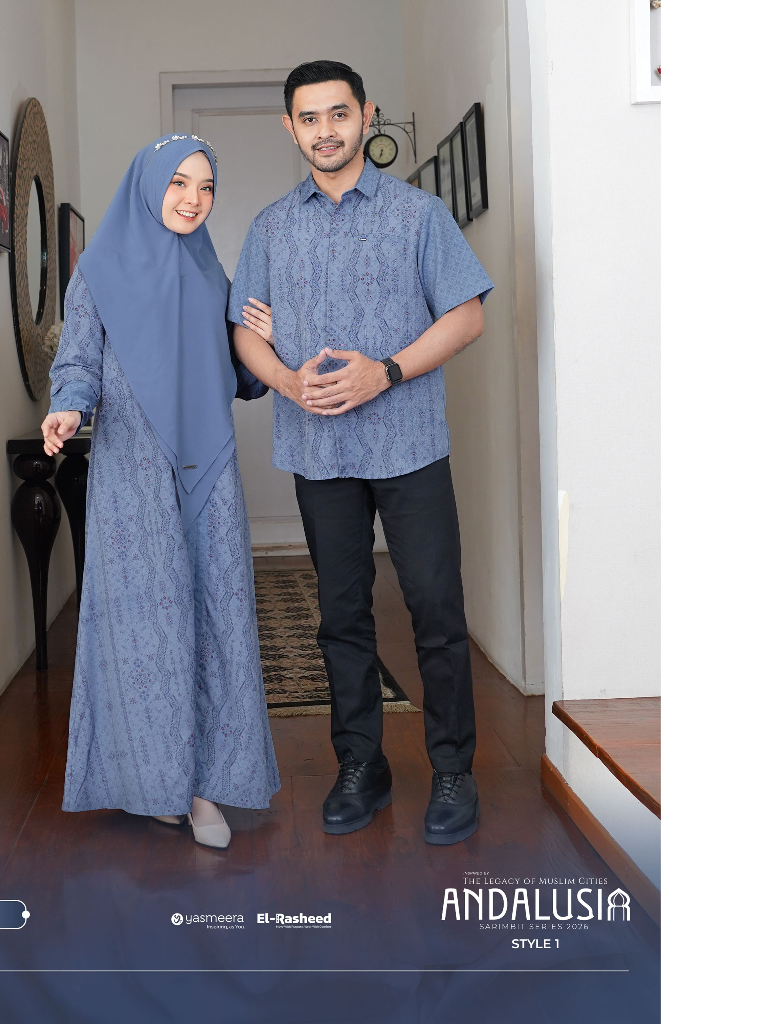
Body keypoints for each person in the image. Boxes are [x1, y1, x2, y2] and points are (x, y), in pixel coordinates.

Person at [230, 61, 493, 845]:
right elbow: (245, 331)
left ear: (366, 115)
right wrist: (285, 380)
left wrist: (388, 372)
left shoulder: (419, 215)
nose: (326, 130)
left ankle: (453, 770)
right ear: (290, 128)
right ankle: (361, 766)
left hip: (410, 446)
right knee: (341, 616)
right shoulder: (270, 228)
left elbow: (467, 315)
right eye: (309, 118)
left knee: (435, 609)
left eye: (339, 114)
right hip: (320, 453)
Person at [41, 135, 280, 850]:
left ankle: (204, 789)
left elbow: (238, 376)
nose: (193, 199)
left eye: (206, 187)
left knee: (215, 617)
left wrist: (263, 343)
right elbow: (79, 359)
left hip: (207, 466)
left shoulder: (210, 271)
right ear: (149, 185)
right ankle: (154, 784)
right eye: (179, 182)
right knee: (144, 625)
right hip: (132, 468)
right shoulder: (98, 270)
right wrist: (68, 408)